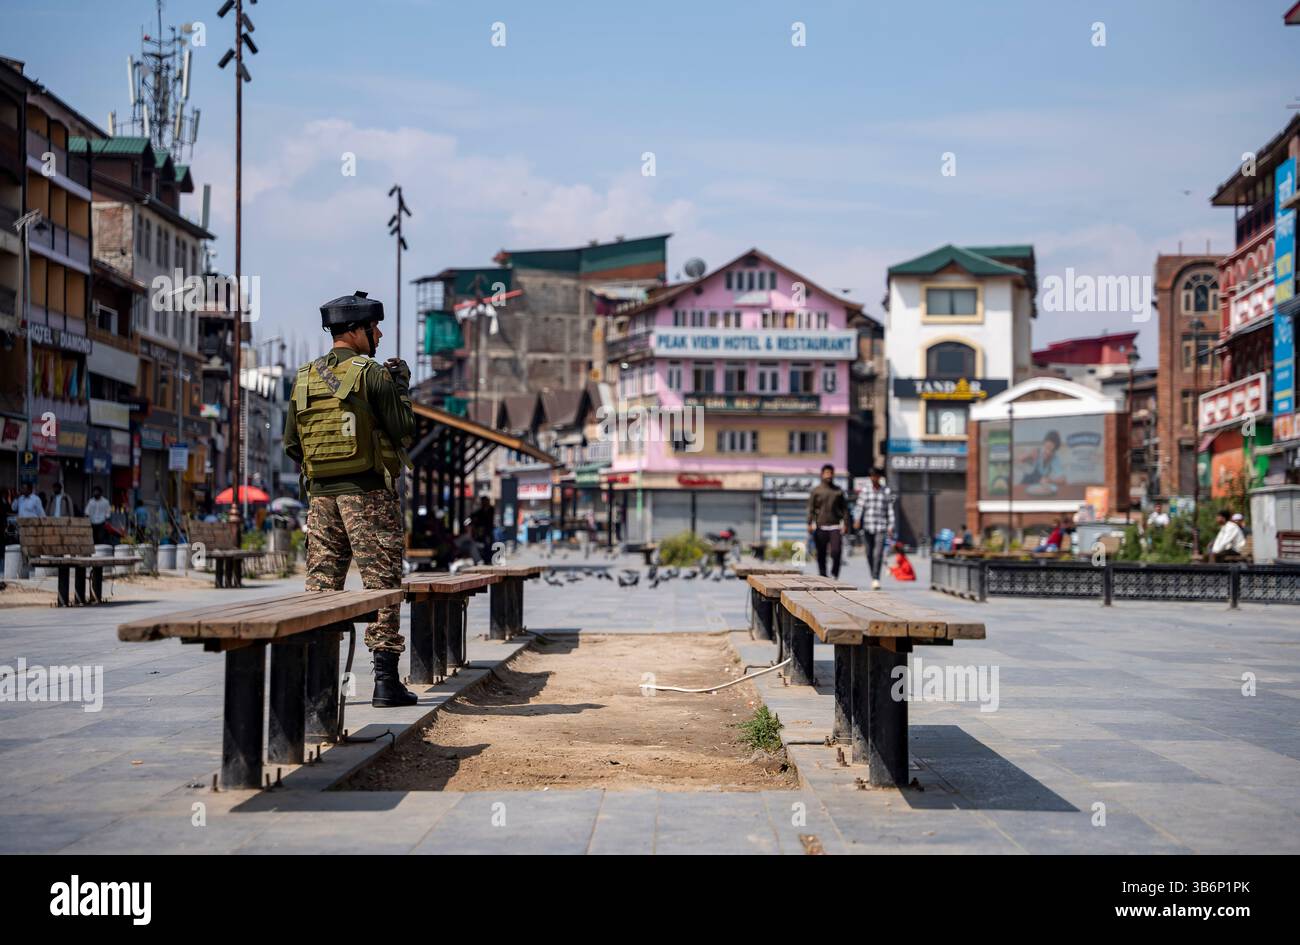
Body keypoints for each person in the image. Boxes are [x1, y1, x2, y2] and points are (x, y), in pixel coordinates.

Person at [284, 289, 417, 709]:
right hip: (369, 495)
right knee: (382, 583)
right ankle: (384, 682)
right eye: (374, 327)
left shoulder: (304, 376)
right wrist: (401, 389)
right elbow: (404, 431)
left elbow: (291, 444)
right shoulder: (372, 373)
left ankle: (318, 684)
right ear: (356, 331)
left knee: (322, 585)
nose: (378, 333)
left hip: (320, 499)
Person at [852, 465, 895, 590]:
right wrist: (857, 519)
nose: (874, 478)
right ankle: (873, 575)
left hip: (881, 526)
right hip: (867, 526)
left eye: (876, 476)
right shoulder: (865, 490)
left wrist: (891, 526)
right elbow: (859, 506)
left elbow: (890, 510)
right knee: (869, 553)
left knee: (878, 553)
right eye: (872, 476)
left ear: (879, 477)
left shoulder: (886, 491)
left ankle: (876, 578)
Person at [807, 463, 850, 579]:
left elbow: (845, 509)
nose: (828, 475)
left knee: (836, 551)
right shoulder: (816, 491)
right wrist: (809, 523)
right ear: (822, 475)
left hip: (835, 526)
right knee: (821, 553)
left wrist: (846, 524)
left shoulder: (838, 491)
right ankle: (823, 575)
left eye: (830, 473)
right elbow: (811, 508)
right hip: (820, 526)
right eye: (826, 473)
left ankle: (834, 574)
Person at [471, 495, 496, 564]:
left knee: (489, 545)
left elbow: (488, 520)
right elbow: (473, 516)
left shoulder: (491, 509)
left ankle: (489, 559)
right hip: (481, 531)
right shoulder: (479, 510)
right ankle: (483, 559)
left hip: (488, 530)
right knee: (482, 545)